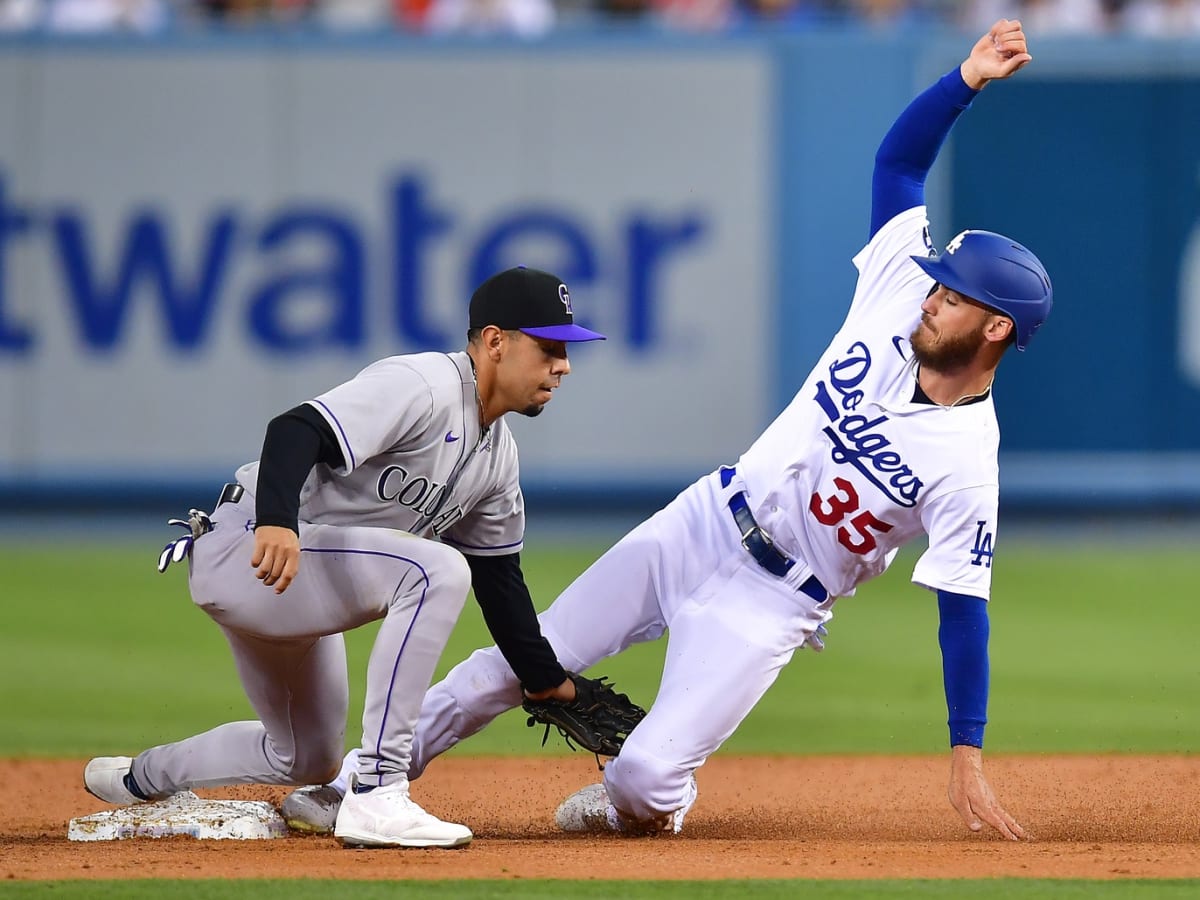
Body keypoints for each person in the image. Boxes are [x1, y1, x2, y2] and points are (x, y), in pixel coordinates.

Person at [283, 18, 1050, 841]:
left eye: (953, 295)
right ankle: (365, 785)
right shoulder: (898, 297)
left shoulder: (969, 463)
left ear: (996, 329)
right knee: (509, 666)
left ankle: (643, 802)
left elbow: (963, 609)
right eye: (937, 284)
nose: (932, 295)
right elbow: (898, 164)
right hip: (703, 521)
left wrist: (966, 747)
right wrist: (963, 80)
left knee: (646, 779)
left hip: (775, 603)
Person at [83, 266, 606, 849]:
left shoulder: (497, 460)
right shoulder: (426, 384)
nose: (563, 365)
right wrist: (279, 521)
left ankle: (139, 777)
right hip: (249, 548)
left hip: (301, 588)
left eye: (567, 350)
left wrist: (547, 681)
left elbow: (501, 583)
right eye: (550, 347)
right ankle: (379, 791)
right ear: (494, 341)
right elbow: (294, 430)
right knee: (435, 570)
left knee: (305, 757)